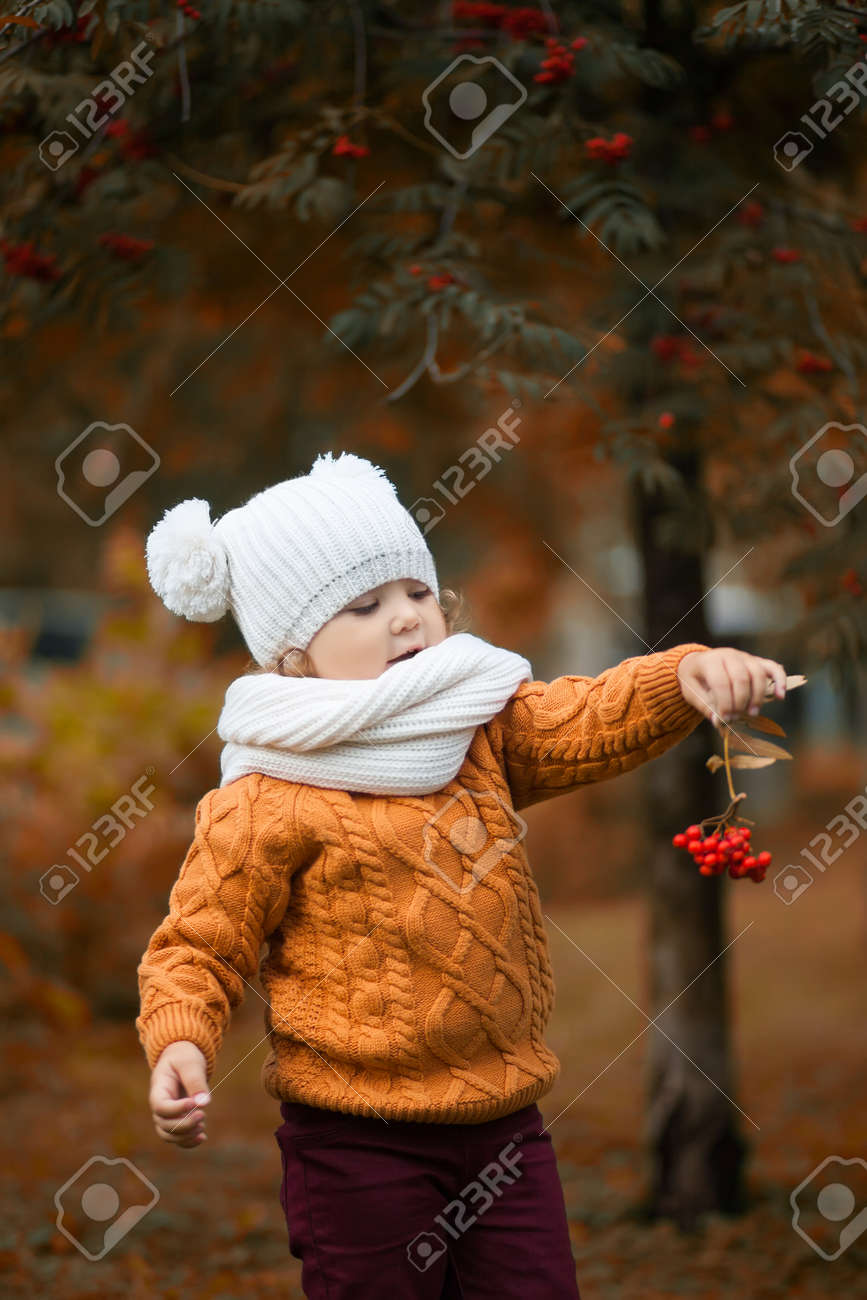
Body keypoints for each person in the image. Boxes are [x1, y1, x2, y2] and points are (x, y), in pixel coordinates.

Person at [136, 450, 788, 1299]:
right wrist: (180, 1038)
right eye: (364, 606)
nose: (405, 618)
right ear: (292, 656)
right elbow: (200, 939)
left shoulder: (473, 722)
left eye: (416, 592)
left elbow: (581, 715)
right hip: (356, 1140)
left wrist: (679, 675)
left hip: (503, 1126)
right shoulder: (266, 792)